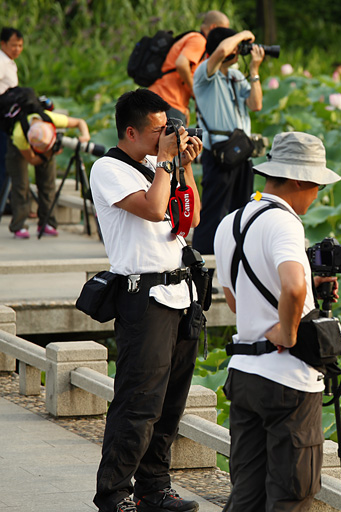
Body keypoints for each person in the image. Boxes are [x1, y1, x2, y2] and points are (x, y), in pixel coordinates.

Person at [213, 131, 341, 511]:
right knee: (291, 494)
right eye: (316, 185)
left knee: (246, 495)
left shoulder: (230, 224)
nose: (316, 195)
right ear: (300, 179)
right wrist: (288, 330)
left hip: (245, 374)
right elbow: (293, 286)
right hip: (287, 381)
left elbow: (236, 303)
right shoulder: (286, 224)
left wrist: (300, 295)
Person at [89, 88, 204, 512]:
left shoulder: (160, 165)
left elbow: (189, 216)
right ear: (132, 131)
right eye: (158, 131)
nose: (165, 138)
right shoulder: (108, 168)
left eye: (168, 129)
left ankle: (154, 488)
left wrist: (184, 168)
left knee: (170, 403)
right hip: (144, 296)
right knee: (138, 404)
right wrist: (166, 164)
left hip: (180, 293)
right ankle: (113, 495)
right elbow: (156, 210)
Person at [190, 27, 264, 255]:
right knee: (213, 215)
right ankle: (203, 277)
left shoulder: (236, 75)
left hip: (242, 154)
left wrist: (254, 71)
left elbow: (256, 104)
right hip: (219, 155)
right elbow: (221, 50)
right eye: (237, 46)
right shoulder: (204, 74)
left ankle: (233, 270)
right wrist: (245, 34)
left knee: (242, 213)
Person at [7, 105, 91, 238]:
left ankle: (47, 223)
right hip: (18, 150)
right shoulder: (19, 135)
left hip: (44, 144)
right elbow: (33, 160)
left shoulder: (49, 118)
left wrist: (85, 136)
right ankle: (19, 226)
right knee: (21, 185)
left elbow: (80, 122)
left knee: (48, 184)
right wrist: (49, 153)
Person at [148, 10, 229, 125]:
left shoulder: (194, 38)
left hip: (165, 99)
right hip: (168, 100)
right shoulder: (199, 40)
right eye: (224, 30)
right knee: (174, 142)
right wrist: (196, 92)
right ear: (213, 27)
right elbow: (181, 64)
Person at [0, 27, 24, 212]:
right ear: (2, 44)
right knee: (3, 161)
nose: (17, 49)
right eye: (13, 45)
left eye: (20, 45)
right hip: (2, 118)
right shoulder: (1, 61)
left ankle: (5, 201)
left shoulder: (9, 62)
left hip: (7, 118)